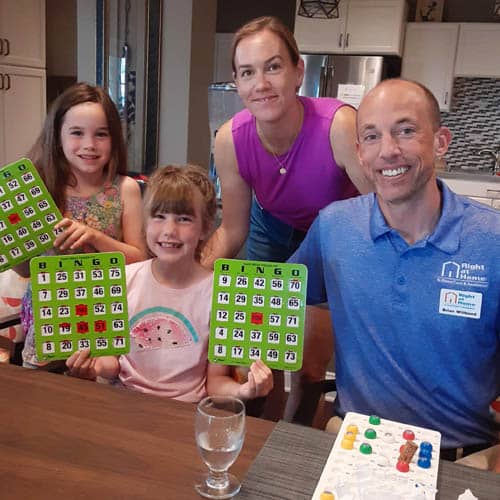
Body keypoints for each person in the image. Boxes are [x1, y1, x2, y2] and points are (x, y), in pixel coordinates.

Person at [288, 78, 500, 456]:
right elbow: (273, 297)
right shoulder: (335, 226)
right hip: (357, 447)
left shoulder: (492, 240)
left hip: (463, 458)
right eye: (371, 137)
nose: (388, 150)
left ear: (440, 142)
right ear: (359, 152)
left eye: (405, 131)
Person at [202, 15, 372, 420]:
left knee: (311, 370)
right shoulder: (229, 139)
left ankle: (297, 445)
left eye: (273, 67)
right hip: (268, 227)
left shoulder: (338, 126)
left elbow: (380, 211)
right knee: (260, 362)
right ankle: (265, 436)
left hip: (333, 235)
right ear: (237, 82)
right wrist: (186, 274)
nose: (260, 83)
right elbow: (234, 229)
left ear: (298, 72)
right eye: (248, 72)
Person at [66, 165, 273, 403]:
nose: (169, 231)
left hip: (186, 411)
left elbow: (215, 382)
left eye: (184, 219)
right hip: (122, 402)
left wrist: (244, 391)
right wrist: (92, 366)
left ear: (205, 227)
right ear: (146, 223)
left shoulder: (220, 294)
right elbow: (112, 363)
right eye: (159, 217)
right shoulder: (122, 279)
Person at [15, 82, 148, 368]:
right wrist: (10, 241)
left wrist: (96, 238)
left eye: (101, 134)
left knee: (97, 399)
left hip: (104, 319)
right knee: (41, 399)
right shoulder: (40, 187)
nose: (89, 144)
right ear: (57, 136)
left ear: (114, 139)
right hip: (48, 318)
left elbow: (140, 261)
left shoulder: (125, 189)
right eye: (77, 133)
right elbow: (25, 269)